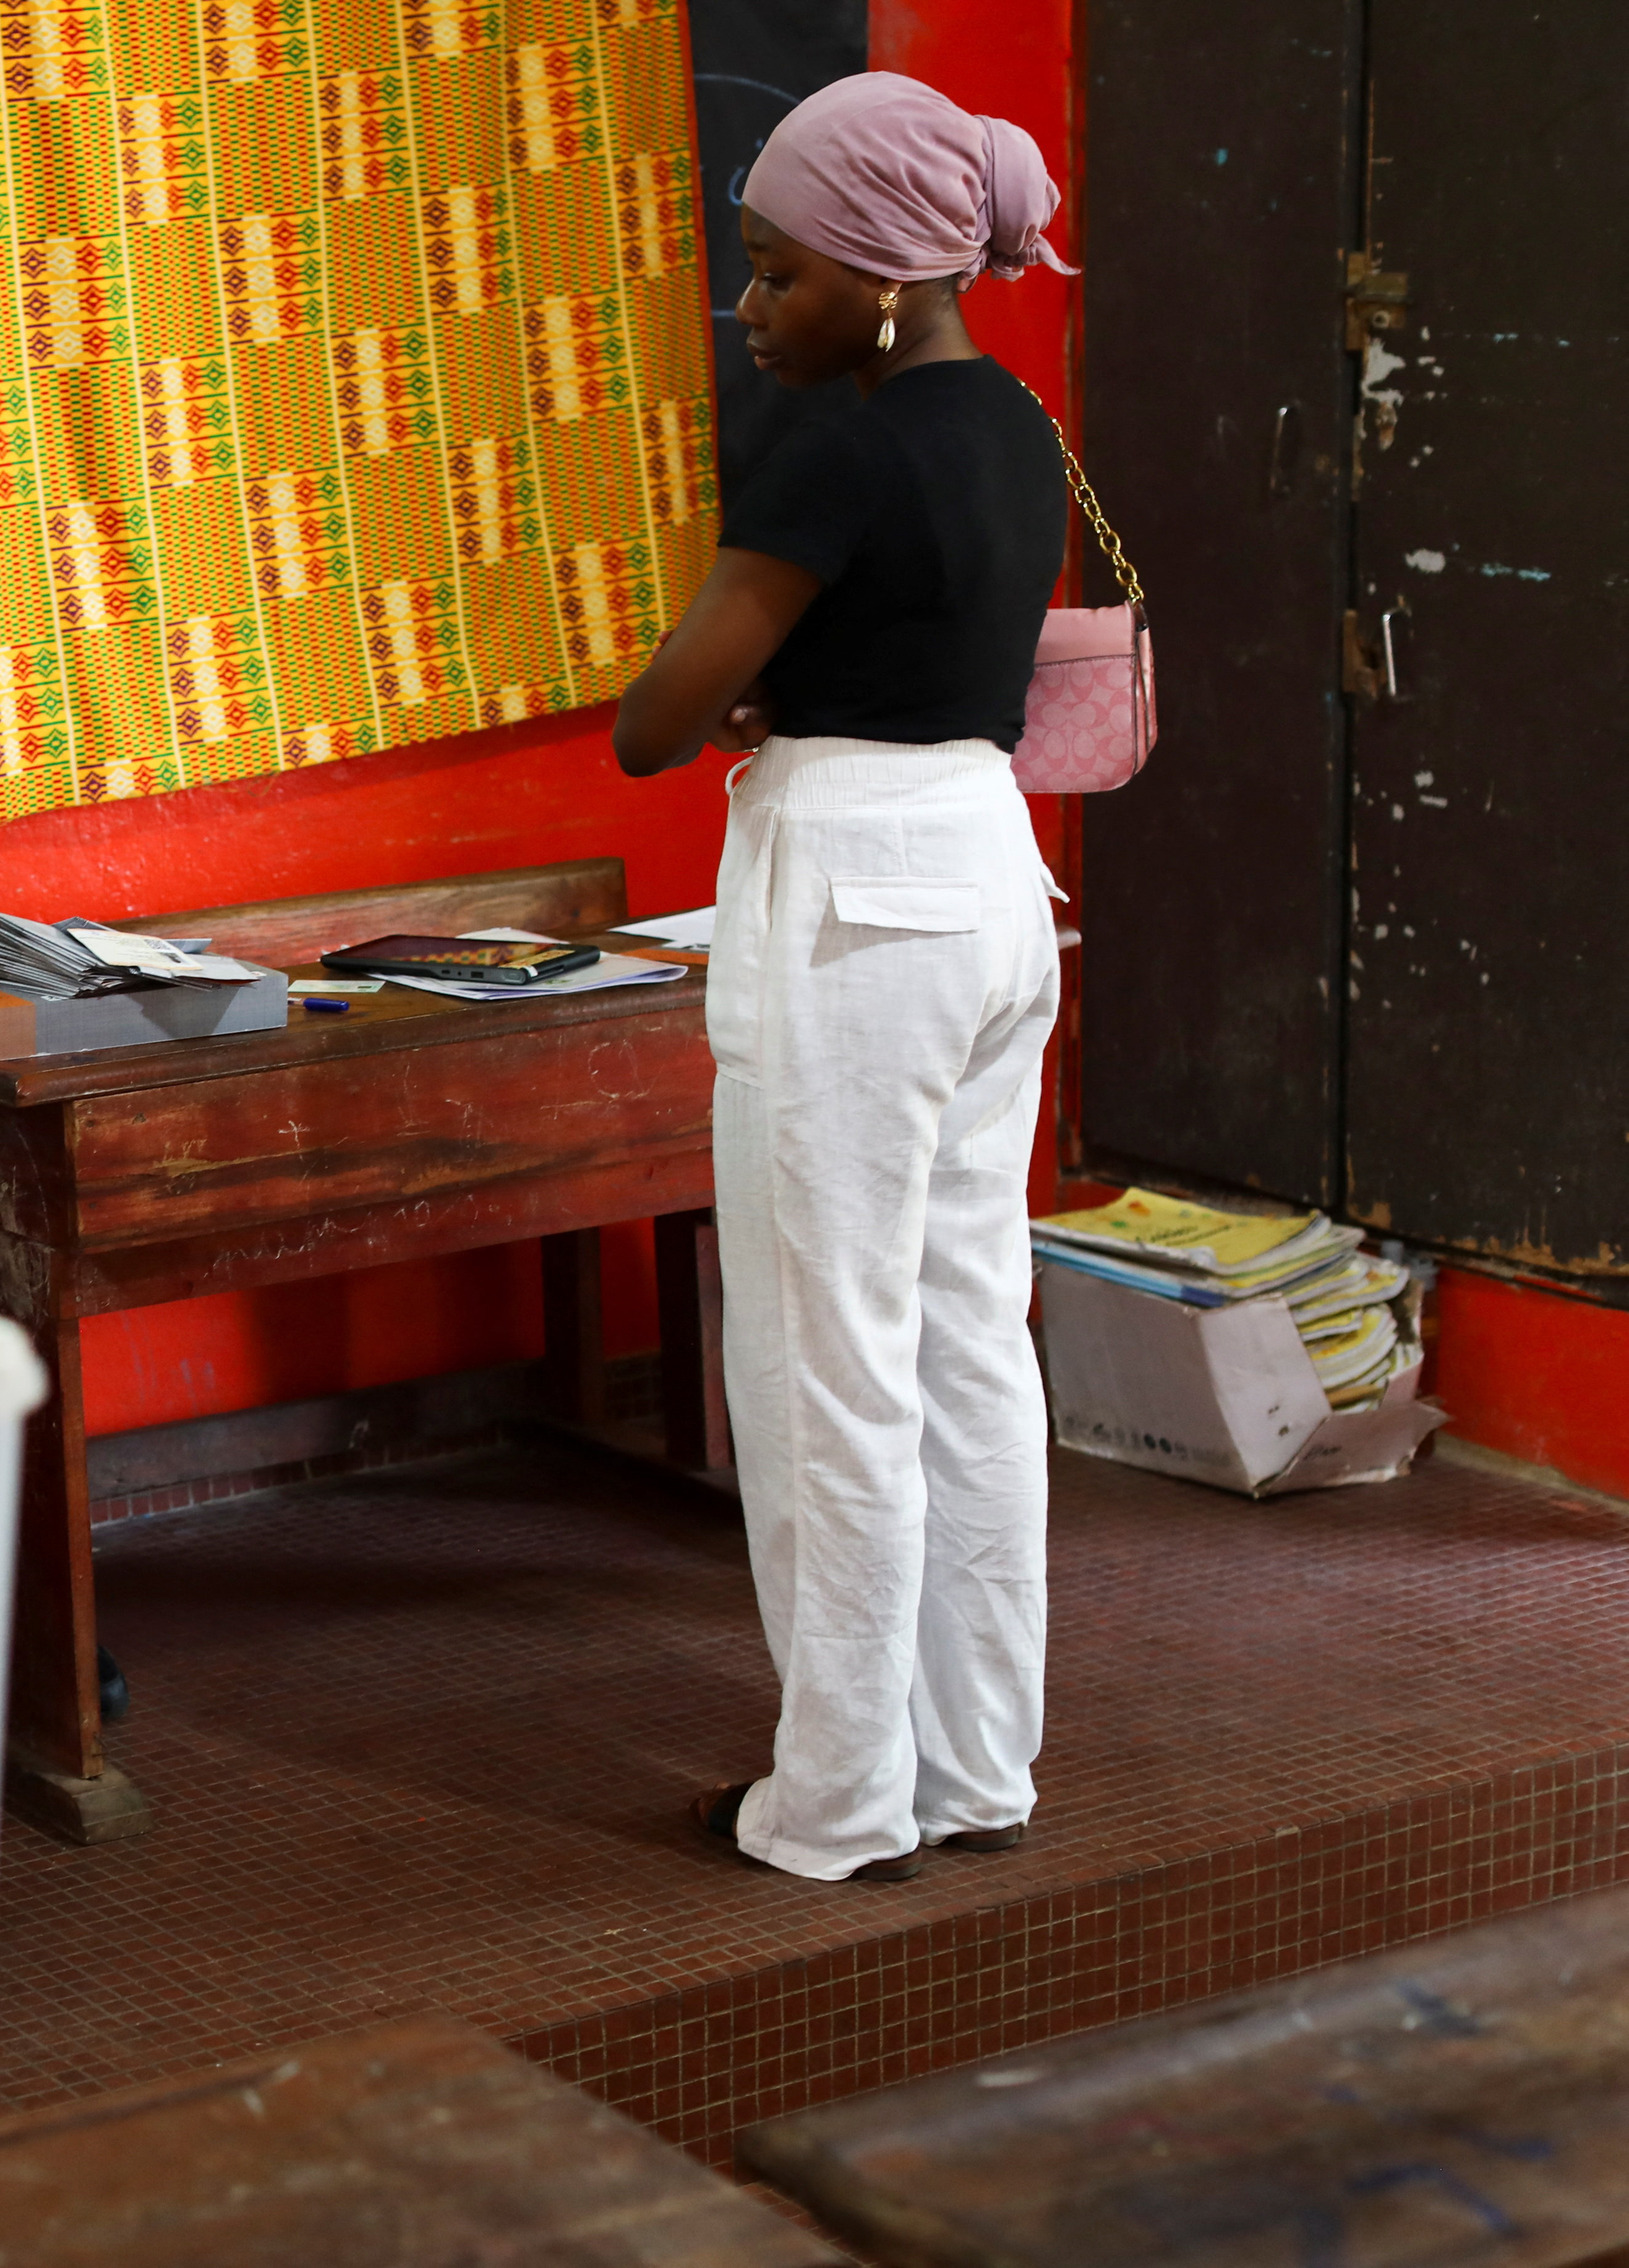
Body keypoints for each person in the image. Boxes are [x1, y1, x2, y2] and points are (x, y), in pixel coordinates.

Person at [610, 74, 1073, 1883]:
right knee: (969, 1349)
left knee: (826, 1364)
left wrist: (737, 692)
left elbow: (658, 718)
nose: (750, 308)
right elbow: (925, 649)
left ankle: (834, 1801)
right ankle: (977, 1766)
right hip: (989, 883)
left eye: (773, 273)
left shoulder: (838, 451)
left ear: (880, 275)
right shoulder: (1018, 424)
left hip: (854, 909)